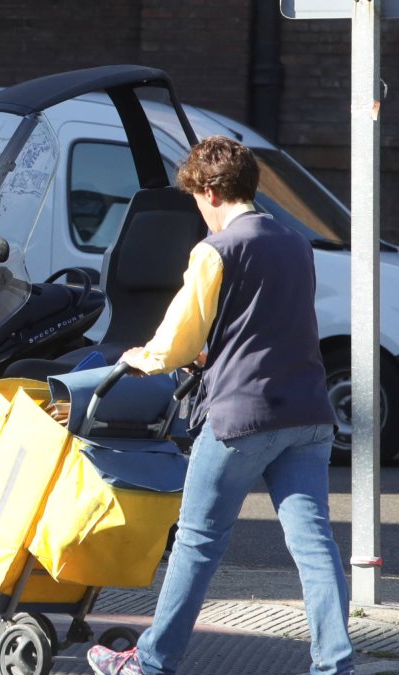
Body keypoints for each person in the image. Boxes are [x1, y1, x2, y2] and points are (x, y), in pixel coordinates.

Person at [85, 136, 354, 675]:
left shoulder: (216, 250)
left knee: (197, 544)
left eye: (196, 198)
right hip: (307, 412)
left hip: (241, 417)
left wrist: (145, 358)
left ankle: (152, 663)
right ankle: (335, 665)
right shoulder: (295, 242)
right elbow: (269, 323)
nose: (200, 211)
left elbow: (177, 341)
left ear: (209, 190)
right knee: (314, 543)